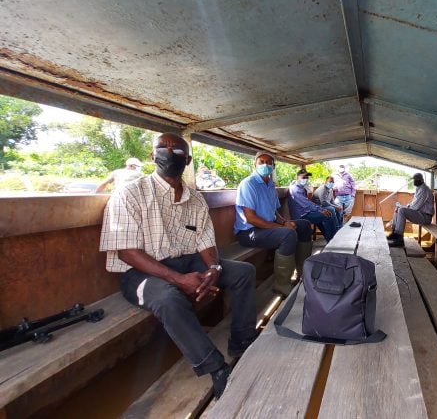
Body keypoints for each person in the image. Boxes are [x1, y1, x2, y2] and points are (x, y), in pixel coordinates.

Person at [99, 133, 257, 400]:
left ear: (188, 159)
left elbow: (206, 243)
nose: (169, 153)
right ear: (152, 156)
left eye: (177, 149)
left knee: (243, 272)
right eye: (162, 148)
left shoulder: (195, 199)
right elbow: (127, 252)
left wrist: (213, 270)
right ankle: (216, 368)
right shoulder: (130, 193)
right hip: (140, 271)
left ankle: (242, 341)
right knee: (169, 298)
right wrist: (178, 279)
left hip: (186, 261)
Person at [234, 153, 313, 296]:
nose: (265, 165)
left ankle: (302, 272)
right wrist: (283, 228)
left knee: (304, 225)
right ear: (255, 165)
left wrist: (285, 222)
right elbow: (251, 218)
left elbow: (273, 212)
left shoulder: (270, 185)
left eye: (268, 163)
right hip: (249, 232)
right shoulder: (248, 184)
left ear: (273, 167)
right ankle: (282, 285)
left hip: (266, 227)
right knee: (288, 234)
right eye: (261, 162)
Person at [288, 169, 339, 241]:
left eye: (307, 177)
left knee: (326, 214)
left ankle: (330, 238)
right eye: (303, 177)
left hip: (306, 212)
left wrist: (321, 210)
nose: (306, 179)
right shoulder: (295, 189)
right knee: (328, 215)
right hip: (301, 216)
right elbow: (307, 204)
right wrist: (321, 210)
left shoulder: (301, 187)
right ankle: (332, 240)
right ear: (297, 178)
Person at [387, 173, 434, 247]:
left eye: (415, 180)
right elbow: (413, 204)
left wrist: (404, 207)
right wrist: (402, 206)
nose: (414, 181)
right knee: (398, 208)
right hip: (420, 214)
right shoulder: (419, 189)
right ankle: (394, 233)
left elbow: (415, 207)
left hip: (425, 217)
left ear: (421, 180)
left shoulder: (424, 190)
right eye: (414, 180)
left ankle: (399, 240)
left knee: (402, 210)